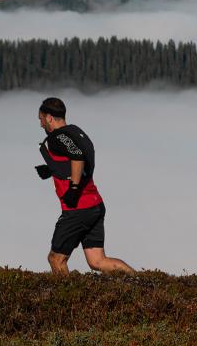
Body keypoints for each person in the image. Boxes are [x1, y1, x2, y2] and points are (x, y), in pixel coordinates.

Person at [35, 97, 136, 275]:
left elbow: (77, 155)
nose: (40, 124)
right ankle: (142, 282)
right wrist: (53, 169)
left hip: (78, 209)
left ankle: (67, 298)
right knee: (98, 261)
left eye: (41, 119)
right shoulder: (76, 132)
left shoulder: (57, 138)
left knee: (56, 258)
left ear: (50, 117)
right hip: (95, 205)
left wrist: (73, 189)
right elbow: (81, 161)